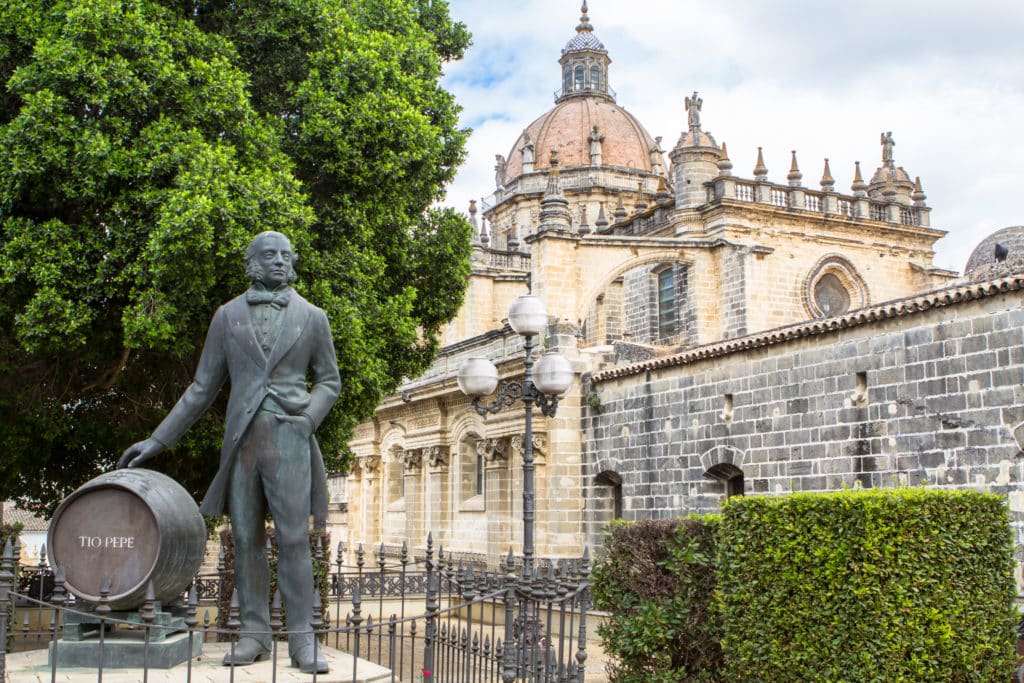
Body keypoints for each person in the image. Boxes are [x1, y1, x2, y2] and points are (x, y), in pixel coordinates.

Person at [120, 231, 341, 674]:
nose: (279, 261)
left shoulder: (313, 317)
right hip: (241, 441)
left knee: (295, 538)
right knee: (245, 539)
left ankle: (302, 639)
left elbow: (329, 381)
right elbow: (202, 388)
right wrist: (158, 440)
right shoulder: (226, 317)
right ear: (251, 264)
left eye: (285, 254)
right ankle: (254, 633)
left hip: (291, 437)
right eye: (269, 255)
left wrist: (307, 419)